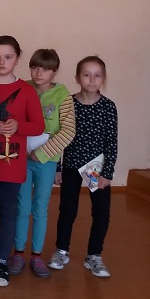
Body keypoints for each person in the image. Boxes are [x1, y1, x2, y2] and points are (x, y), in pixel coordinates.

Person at [0, 36, 44, 287]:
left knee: (7, 213)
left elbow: (38, 126)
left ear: (17, 59)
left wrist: (18, 125)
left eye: (8, 57)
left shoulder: (26, 90)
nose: (2, 62)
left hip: (12, 166)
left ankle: (2, 262)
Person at [9, 49, 75, 278]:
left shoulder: (62, 96)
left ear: (54, 72)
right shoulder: (23, 88)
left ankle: (36, 255)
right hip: (21, 158)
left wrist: (43, 153)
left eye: (45, 69)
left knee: (40, 207)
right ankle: (18, 252)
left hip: (46, 161)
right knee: (22, 205)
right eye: (35, 67)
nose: (39, 73)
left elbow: (68, 131)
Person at [49, 56, 117, 278]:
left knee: (101, 212)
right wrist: (58, 168)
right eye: (87, 75)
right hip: (71, 165)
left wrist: (107, 172)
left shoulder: (108, 107)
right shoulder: (68, 104)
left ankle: (94, 256)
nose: (92, 79)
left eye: (97, 75)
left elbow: (111, 142)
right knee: (67, 210)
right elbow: (59, 137)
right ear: (77, 78)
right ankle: (61, 250)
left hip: (95, 168)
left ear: (103, 79)